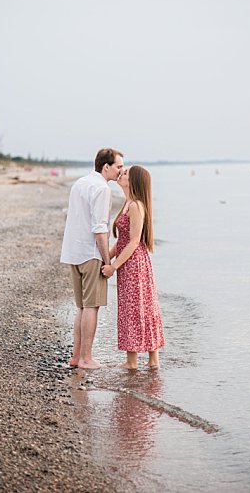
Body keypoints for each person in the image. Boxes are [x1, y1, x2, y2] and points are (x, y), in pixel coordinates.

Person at [61, 148, 124, 370]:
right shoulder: (102, 188)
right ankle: (86, 358)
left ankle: (76, 356)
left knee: (81, 307)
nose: (121, 171)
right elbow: (100, 229)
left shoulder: (80, 183)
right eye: (118, 166)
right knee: (92, 307)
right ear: (105, 167)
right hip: (90, 253)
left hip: (73, 252)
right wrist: (108, 261)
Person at [102, 165, 165, 369]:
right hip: (129, 262)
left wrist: (113, 266)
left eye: (126, 172)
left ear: (134, 181)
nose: (121, 173)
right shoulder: (128, 204)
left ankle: (135, 362)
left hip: (134, 264)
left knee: (137, 308)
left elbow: (134, 242)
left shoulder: (136, 206)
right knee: (137, 307)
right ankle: (149, 361)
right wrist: (105, 257)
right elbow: (121, 242)